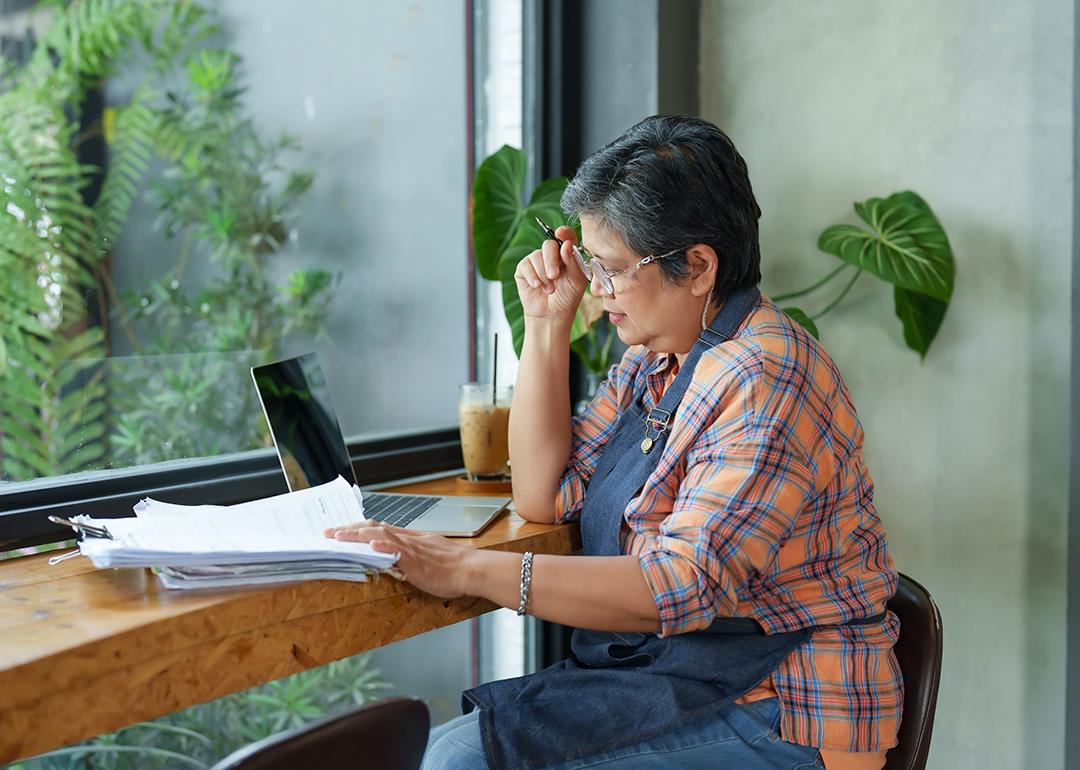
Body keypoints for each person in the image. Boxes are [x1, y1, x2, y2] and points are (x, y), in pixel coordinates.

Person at [326, 115, 902, 770]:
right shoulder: (656, 359)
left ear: (698, 268)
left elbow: (682, 585)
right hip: (680, 676)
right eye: (594, 266)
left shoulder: (763, 376)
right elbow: (544, 494)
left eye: (614, 270)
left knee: (455, 763)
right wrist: (547, 324)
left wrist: (463, 569)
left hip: (788, 711)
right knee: (451, 754)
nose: (600, 290)